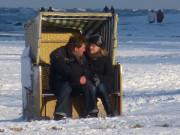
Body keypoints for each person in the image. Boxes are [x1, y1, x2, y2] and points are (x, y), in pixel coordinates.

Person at [49, 35, 98, 120]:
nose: (84, 50)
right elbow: (62, 68)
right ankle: (59, 114)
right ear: (75, 48)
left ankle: (92, 112)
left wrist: (84, 76)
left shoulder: (82, 56)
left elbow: (87, 68)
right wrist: (74, 77)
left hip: (77, 83)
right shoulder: (59, 53)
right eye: (82, 48)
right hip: (59, 84)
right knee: (66, 84)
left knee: (88, 84)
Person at [85, 35, 114, 117]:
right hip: (89, 83)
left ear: (99, 48)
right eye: (90, 45)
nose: (91, 47)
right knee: (92, 87)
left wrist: (99, 79)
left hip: (103, 84)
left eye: (93, 46)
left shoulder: (105, 59)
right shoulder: (85, 57)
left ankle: (110, 112)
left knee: (100, 87)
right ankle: (93, 112)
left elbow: (109, 75)